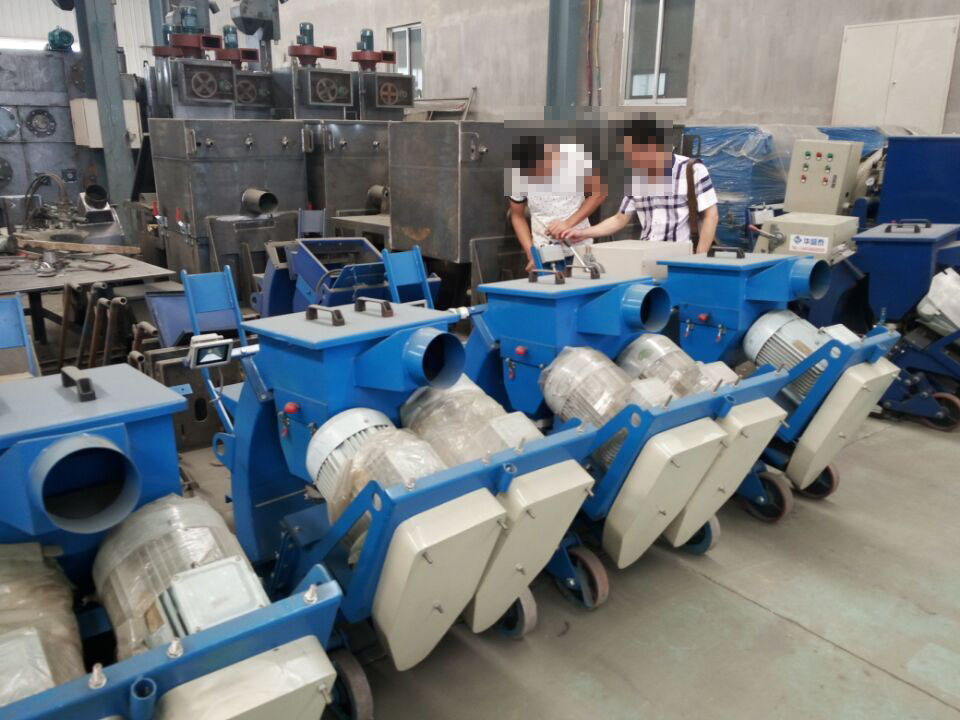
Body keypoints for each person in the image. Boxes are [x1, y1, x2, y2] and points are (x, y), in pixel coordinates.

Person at [558, 119, 719, 254]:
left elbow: (711, 217)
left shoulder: (691, 170)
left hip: (682, 255)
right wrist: (583, 233)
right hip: (646, 255)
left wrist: (698, 258)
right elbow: (620, 219)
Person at [508, 136, 608, 271]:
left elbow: (600, 193)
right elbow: (517, 216)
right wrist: (531, 254)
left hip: (580, 249)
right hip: (544, 253)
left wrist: (567, 224)